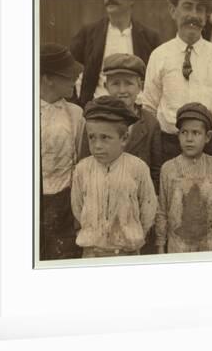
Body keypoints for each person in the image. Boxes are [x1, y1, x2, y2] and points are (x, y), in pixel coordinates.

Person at [79, 53, 163, 254]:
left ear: (140, 86)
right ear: (106, 85)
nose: (122, 90)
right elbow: (84, 169)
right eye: (116, 83)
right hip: (99, 212)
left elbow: (155, 172)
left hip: (133, 215)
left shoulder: (150, 123)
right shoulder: (94, 120)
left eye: (129, 84)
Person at [142, 0, 212, 163]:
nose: (194, 15)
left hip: (211, 148)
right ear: (173, 11)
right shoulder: (159, 55)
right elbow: (148, 108)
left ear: (207, 15)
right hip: (169, 148)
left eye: (200, 9)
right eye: (187, 7)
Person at [71, 96, 158, 258]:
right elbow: (78, 206)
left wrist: (133, 235)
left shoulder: (137, 168)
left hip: (127, 252)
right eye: (92, 137)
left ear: (124, 139)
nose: (97, 145)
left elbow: (148, 208)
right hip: (92, 252)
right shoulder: (82, 169)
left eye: (105, 138)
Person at [70, 0, 161, 107]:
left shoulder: (150, 37)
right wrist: (77, 106)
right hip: (98, 110)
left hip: (138, 110)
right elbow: (69, 71)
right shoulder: (89, 33)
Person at [39, 43, 85, 260]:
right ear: (47, 78)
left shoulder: (76, 114)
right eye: (67, 76)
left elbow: (79, 160)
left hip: (65, 203)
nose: (74, 80)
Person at [155, 103, 212, 254]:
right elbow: (162, 211)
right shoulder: (168, 169)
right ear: (178, 135)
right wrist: (160, 246)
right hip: (178, 247)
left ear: (207, 137)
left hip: (208, 245)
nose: (189, 138)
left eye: (196, 133)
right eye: (184, 132)